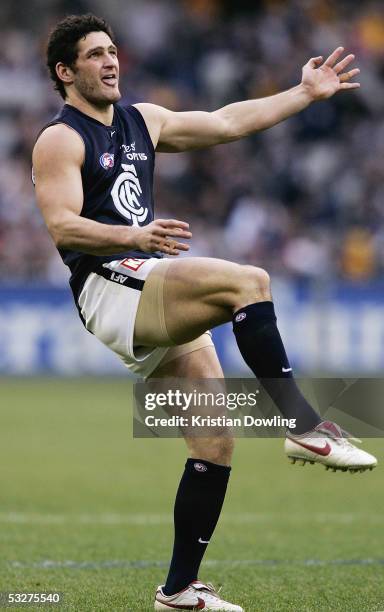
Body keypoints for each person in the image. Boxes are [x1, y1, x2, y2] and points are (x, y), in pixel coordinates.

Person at [32, 14, 377, 612]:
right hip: (108, 286)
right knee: (248, 281)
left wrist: (303, 93)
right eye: (94, 55)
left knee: (215, 440)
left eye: (113, 51)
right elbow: (62, 224)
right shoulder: (60, 138)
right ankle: (304, 426)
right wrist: (134, 239)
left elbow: (224, 122)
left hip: (143, 283)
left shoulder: (143, 120)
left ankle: (178, 590)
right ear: (66, 73)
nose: (111, 62)